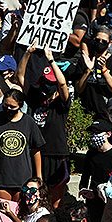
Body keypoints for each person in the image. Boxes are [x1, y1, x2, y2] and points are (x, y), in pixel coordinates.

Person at [18, 46, 70, 208]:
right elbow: (20, 76)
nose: (48, 86)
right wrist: (27, 53)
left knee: (55, 204)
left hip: (56, 155)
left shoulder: (60, 104)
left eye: (50, 83)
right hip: (36, 155)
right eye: (45, 82)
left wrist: (51, 59)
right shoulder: (35, 98)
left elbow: (62, 84)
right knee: (37, 202)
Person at [0, 89, 45, 201]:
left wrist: (39, 176)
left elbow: (36, 150)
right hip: (0, 179)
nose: (8, 109)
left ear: (20, 106)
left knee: (19, 214)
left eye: (12, 107)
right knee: (3, 215)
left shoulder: (28, 122)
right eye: (6, 105)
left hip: (22, 179)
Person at [79, 119, 112, 222]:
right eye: (92, 133)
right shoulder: (91, 154)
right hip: (92, 200)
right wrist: (83, 190)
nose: (94, 136)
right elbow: (85, 175)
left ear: (108, 134)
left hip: (108, 200)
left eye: (97, 133)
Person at [75, 25, 112, 117]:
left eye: (104, 41)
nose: (100, 43)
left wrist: (104, 69)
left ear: (109, 43)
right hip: (86, 113)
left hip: (106, 113)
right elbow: (79, 89)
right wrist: (87, 70)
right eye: (97, 40)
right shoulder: (84, 60)